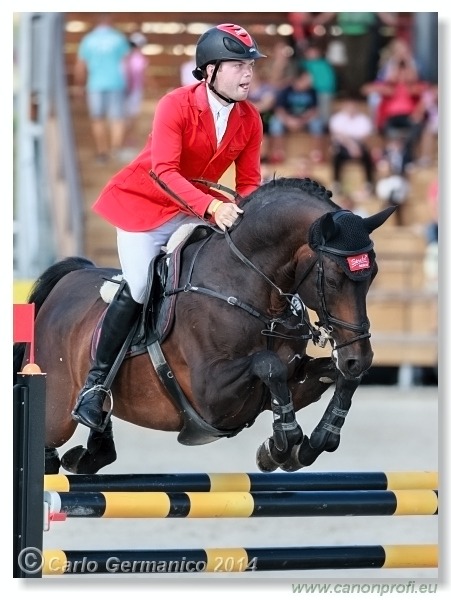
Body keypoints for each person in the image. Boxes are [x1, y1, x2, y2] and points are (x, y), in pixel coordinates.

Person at [71, 23, 267, 432]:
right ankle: (95, 385)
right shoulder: (175, 105)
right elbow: (164, 170)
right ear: (209, 70)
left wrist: (243, 211)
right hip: (146, 210)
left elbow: (248, 180)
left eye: (250, 65)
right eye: (236, 65)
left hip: (196, 211)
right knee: (142, 286)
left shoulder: (249, 118)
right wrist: (213, 206)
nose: (247, 73)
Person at [73, 14, 131, 163]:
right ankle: (115, 150)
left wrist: (79, 86)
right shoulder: (118, 38)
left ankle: (102, 152)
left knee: (97, 119)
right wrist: (130, 84)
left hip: (95, 84)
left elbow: (80, 66)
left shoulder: (88, 40)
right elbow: (127, 64)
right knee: (117, 119)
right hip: (116, 83)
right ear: (110, 22)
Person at [268, 69, 325, 163]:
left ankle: (316, 153)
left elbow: (314, 110)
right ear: (298, 80)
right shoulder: (285, 90)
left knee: (317, 123)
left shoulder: (312, 91)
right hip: (288, 118)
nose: (310, 81)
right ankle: (278, 152)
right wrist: (288, 120)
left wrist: (302, 120)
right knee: (275, 122)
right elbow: (280, 110)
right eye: (307, 79)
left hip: (305, 119)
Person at [328, 97, 375, 196]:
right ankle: (337, 183)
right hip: (343, 146)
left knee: (367, 155)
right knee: (336, 155)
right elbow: (337, 135)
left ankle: (369, 183)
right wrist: (351, 146)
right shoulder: (337, 118)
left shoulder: (363, 119)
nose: (351, 108)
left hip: (359, 146)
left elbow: (365, 136)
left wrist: (356, 146)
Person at [122, 31, 149, 152]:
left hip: (124, 90)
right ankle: (129, 140)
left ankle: (125, 140)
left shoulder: (125, 57)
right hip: (134, 91)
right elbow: (143, 75)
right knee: (132, 117)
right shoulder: (140, 58)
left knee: (125, 116)